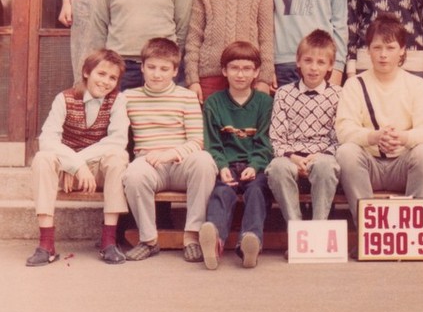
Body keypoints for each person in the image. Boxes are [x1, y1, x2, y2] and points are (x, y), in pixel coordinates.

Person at [27, 49, 129, 266]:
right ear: (86, 72)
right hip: (68, 172)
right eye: (101, 74)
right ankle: (46, 245)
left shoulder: (118, 100)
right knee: (43, 158)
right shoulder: (64, 98)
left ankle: (109, 242)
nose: (106, 82)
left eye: (112, 78)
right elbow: (47, 139)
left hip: (95, 171)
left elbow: (118, 140)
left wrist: (77, 163)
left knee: (118, 156)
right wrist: (74, 166)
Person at [335, 13, 423, 221]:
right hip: (368, 166)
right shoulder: (355, 84)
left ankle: (414, 228)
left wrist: (403, 137)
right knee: (346, 153)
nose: (383, 55)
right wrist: (373, 137)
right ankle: (367, 226)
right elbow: (344, 129)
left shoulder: (417, 85)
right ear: (368, 50)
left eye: (390, 48)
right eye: (377, 48)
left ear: (402, 50)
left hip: (404, 165)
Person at [122, 37, 217, 262]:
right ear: (142, 67)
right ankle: (148, 240)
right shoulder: (128, 98)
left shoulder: (187, 97)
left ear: (175, 71)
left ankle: (192, 237)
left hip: (181, 164)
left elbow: (197, 141)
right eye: (151, 67)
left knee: (204, 161)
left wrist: (169, 154)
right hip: (150, 165)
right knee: (133, 174)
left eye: (164, 69)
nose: (157, 74)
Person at [199, 41, 273, 270]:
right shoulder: (213, 103)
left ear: (256, 72)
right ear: (224, 70)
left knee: (258, 191)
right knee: (221, 192)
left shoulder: (265, 103)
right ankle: (214, 239)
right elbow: (212, 143)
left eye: (247, 69)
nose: (240, 75)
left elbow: (266, 142)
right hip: (227, 166)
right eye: (234, 68)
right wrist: (221, 166)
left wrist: (256, 165)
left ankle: (250, 241)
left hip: (254, 167)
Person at [267, 30, 342, 223]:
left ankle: (318, 226)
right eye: (308, 60)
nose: (313, 68)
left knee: (325, 166)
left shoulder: (338, 94)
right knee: (277, 168)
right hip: (291, 157)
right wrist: (293, 157)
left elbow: (340, 138)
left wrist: (318, 156)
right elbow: (276, 138)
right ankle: (296, 228)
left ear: (330, 66)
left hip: (322, 156)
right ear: (298, 61)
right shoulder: (284, 93)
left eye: (321, 62)